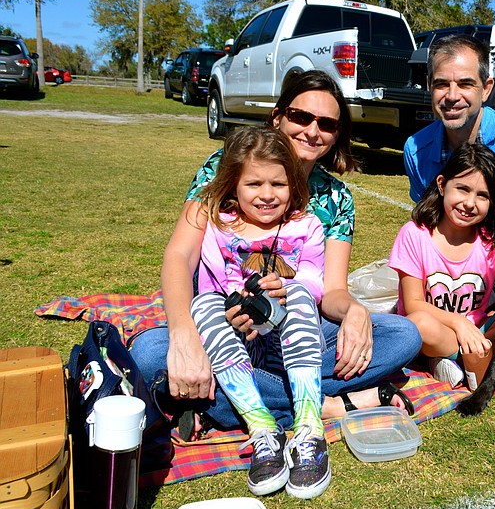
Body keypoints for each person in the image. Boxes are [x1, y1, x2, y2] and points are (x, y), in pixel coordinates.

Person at [130, 71, 421, 456]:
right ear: (278, 117)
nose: (312, 131)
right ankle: (332, 403)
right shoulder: (225, 166)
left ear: (338, 134)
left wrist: (354, 311)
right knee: (149, 354)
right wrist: (184, 334)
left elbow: (331, 291)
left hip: (299, 325)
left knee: (403, 336)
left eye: (327, 124)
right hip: (224, 324)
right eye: (301, 117)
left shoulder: (337, 198)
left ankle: (221, 398)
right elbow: (180, 255)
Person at [186, 125, 329, 497]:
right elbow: (212, 289)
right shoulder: (218, 228)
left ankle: (309, 428)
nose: (267, 195)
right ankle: (263, 426)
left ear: (293, 185)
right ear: (233, 186)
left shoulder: (307, 226)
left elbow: (314, 279)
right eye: (254, 184)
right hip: (241, 350)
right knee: (202, 304)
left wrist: (288, 288)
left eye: (278, 184)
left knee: (300, 291)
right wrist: (233, 312)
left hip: (291, 343)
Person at [403, 34, 495, 255]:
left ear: (486, 89)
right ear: (429, 86)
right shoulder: (416, 150)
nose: (452, 96)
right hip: (448, 263)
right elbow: (428, 221)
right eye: (441, 84)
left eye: (465, 84)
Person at [390, 143, 495, 388]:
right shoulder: (415, 234)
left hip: (478, 330)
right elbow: (414, 304)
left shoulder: (493, 240)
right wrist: (460, 324)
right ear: (442, 185)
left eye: (482, 195)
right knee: (418, 324)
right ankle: (470, 358)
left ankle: (458, 358)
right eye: (463, 189)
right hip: (434, 331)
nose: (470, 203)